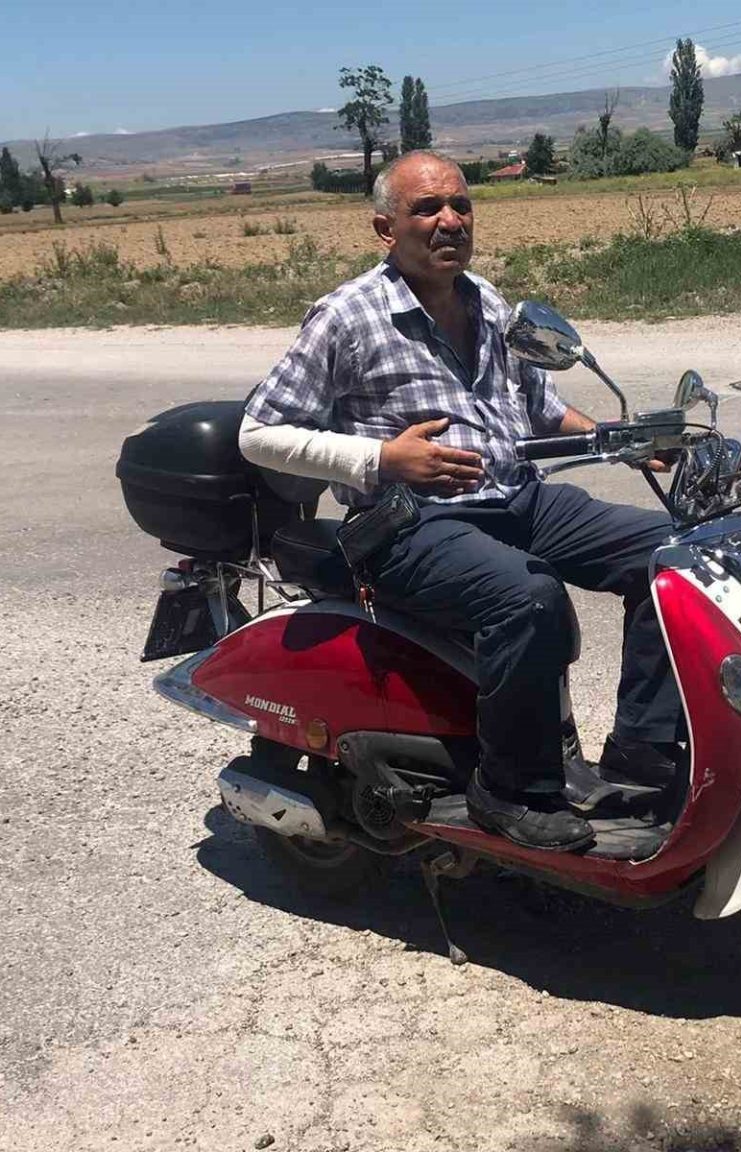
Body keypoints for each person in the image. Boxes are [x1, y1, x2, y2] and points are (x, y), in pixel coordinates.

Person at [239, 151, 682, 852]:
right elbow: (260, 433)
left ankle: (643, 752)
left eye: (461, 205)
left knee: (676, 555)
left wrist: (620, 439)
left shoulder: (488, 301)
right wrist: (383, 459)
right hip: (410, 524)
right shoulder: (347, 316)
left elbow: (540, 408)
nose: (449, 221)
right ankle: (508, 790)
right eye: (426, 209)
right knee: (527, 598)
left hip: (516, 500)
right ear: (385, 229)